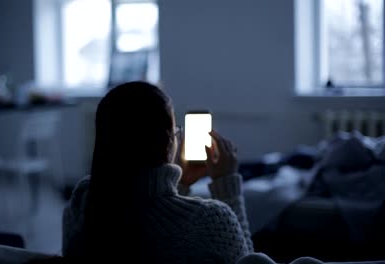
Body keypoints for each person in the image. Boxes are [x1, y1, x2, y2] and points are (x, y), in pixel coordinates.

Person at [60, 81, 324, 264]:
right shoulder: (210, 219)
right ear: (167, 143)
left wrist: (181, 186)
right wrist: (227, 184)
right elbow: (248, 262)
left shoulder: (82, 204)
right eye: (176, 131)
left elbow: (150, 214)